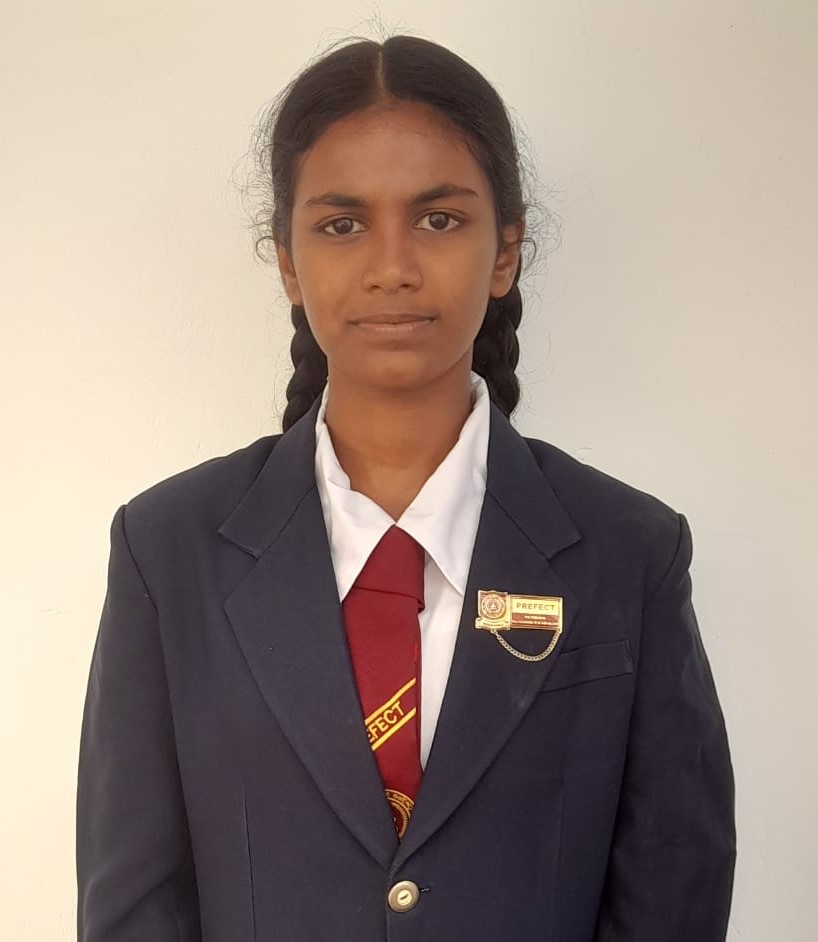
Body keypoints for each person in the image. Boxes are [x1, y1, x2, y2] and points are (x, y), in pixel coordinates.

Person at [76, 34, 735, 942]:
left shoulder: (630, 551)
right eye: (342, 225)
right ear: (288, 261)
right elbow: (132, 907)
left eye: (439, 219)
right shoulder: (168, 551)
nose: (392, 266)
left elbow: (675, 889)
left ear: (505, 252)